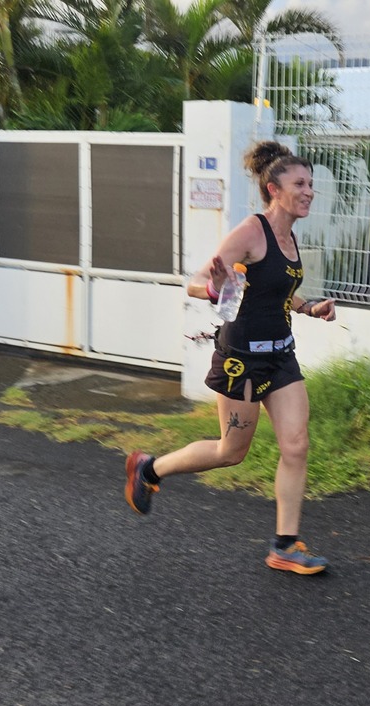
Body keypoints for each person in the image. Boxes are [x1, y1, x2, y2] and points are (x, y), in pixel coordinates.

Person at [124, 141, 337, 574]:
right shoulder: (251, 231)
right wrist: (214, 287)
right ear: (274, 189)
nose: (309, 191)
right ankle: (149, 469)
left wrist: (308, 306)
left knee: (296, 445)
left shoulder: (289, 236)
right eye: (300, 184)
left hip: (281, 356)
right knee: (230, 452)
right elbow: (196, 282)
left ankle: (285, 546)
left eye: (311, 184)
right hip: (241, 361)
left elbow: (276, 290)